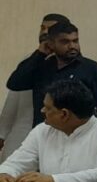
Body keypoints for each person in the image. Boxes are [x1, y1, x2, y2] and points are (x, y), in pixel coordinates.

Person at [0, 79, 97, 182]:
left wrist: (53, 180)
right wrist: (4, 174)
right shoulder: (42, 130)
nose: (42, 110)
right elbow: (15, 163)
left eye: (48, 108)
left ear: (64, 114)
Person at [6, 21, 97, 125]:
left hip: (78, 133)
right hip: (44, 131)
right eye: (65, 42)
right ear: (51, 44)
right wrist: (39, 54)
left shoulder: (92, 69)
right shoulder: (41, 67)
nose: (72, 46)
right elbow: (14, 84)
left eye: (75, 41)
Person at [1, 13, 69, 162]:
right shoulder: (30, 60)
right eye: (42, 28)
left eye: (50, 29)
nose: (44, 32)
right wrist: (1, 134)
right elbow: (12, 99)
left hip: (58, 136)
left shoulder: (76, 65)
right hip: (21, 133)